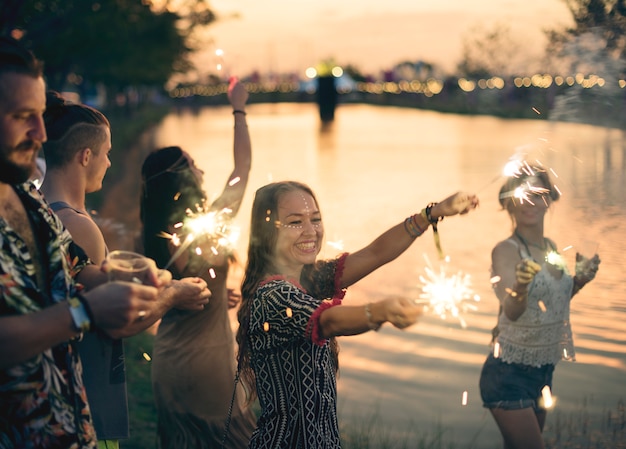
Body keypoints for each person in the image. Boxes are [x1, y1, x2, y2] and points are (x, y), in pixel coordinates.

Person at [0, 35, 167, 448]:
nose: (40, 133)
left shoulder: (28, 199)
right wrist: (84, 312)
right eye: (23, 116)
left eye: (40, 115)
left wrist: (126, 276)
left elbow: (76, 269)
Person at [235, 180, 479, 448]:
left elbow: (375, 253)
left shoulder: (311, 278)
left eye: (315, 219)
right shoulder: (272, 297)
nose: (311, 232)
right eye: (295, 222)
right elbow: (328, 321)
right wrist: (378, 311)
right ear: (267, 230)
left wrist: (433, 213)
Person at [40, 91, 211, 449]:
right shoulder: (78, 225)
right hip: (87, 394)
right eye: (106, 153)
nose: (109, 163)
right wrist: (175, 292)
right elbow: (119, 319)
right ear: (86, 156)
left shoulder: (40, 210)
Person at [139, 77, 257, 449]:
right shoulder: (205, 230)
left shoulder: (152, 235)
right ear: (184, 178)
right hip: (208, 366)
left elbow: (184, 291)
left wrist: (222, 295)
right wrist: (238, 107)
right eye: (193, 165)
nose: (202, 171)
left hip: (170, 362)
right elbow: (243, 168)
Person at [478, 163, 601, 449]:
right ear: (508, 203)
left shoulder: (552, 248)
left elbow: (551, 303)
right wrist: (520, 286)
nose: (528, 202)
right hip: (508, 374)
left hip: (543, 370)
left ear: (549, 200)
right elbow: (512, 309)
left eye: (536, 194)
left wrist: (579, 281)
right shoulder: (506, 251)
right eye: (520, 195)